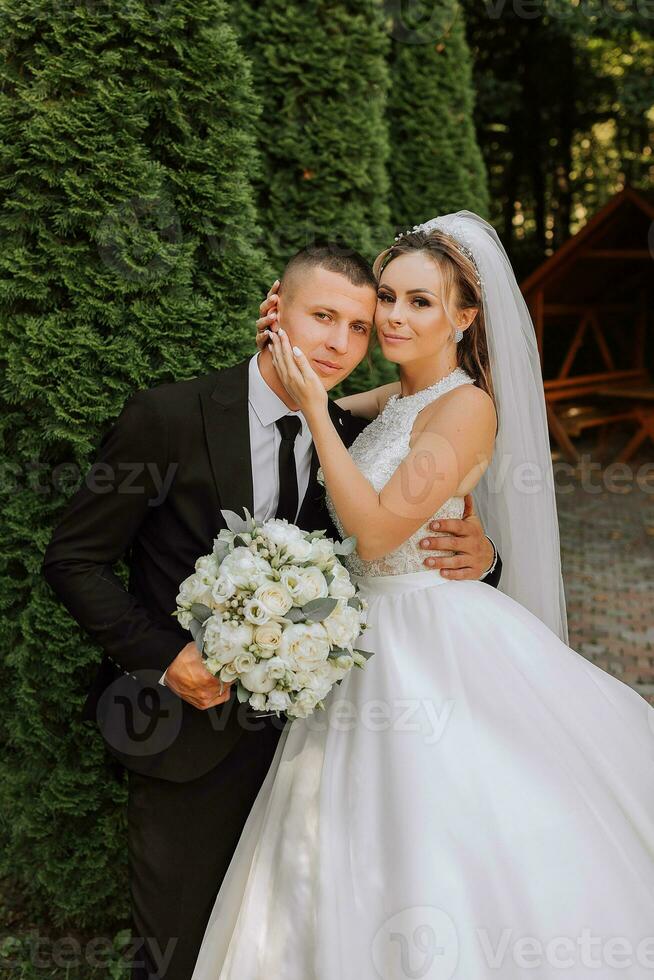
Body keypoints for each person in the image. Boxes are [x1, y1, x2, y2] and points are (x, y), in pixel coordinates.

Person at [191, 213, 654, 980]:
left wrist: (313, 410)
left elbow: (373, 535)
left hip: (428, 638)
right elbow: (330, 398)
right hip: (361, 641)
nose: (396, 318)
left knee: (446, 828)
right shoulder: (400, 397)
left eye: (421, 303)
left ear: (465, 317)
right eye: (390, 300)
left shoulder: (464, 407)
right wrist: (284, 338)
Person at [41, 244, 501, 979]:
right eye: (323, 317)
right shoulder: (170, 418)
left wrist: (482, 555)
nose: (340, 343)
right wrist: (164, 657)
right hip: (189, 734)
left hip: (329, 739)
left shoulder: (353, 433)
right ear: (274, 309)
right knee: (181, 954)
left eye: (358, 325)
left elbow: (393, 536)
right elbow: (72, 561)